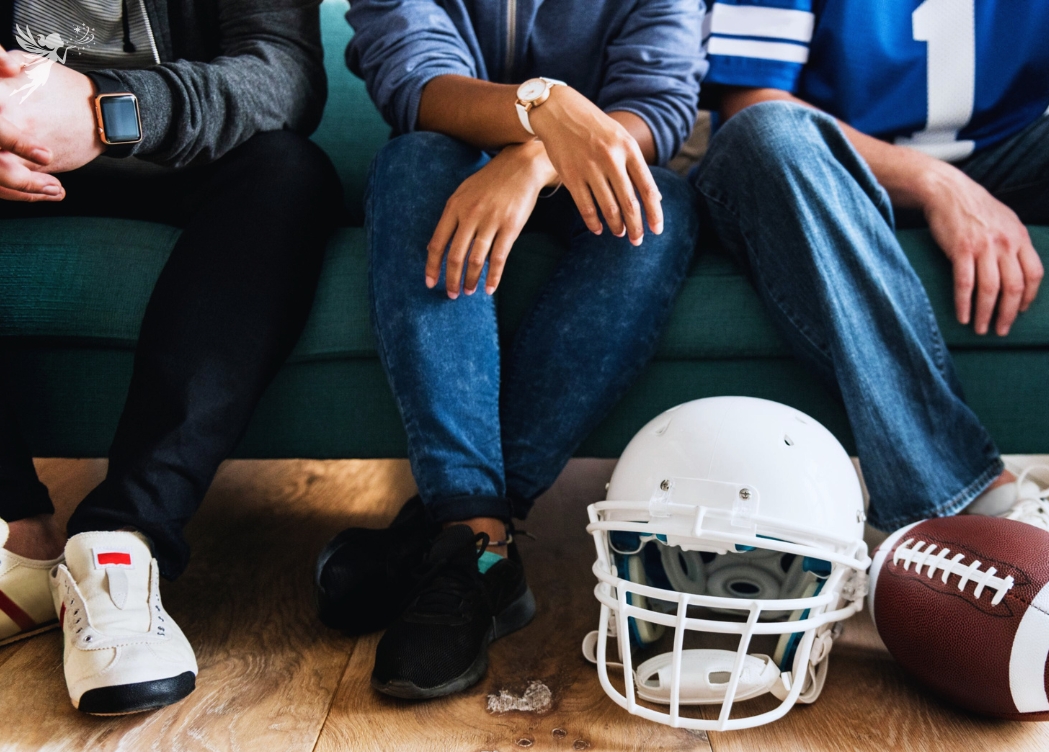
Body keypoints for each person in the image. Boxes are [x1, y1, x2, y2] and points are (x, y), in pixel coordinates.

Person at [692, 0, 1049, 646]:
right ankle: (975, 511)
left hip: (1005, 164)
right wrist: (937, 185)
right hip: (830, 167)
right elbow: (752, 102)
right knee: (765, 134)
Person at [316, 0, 706, 699]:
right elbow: (416, 83)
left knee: (660, 209)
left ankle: (447, 535)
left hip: (582, 179)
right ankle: (478, 546)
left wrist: (535, 157)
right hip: (450, 163)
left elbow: (659, 106)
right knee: (414, 159)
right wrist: (543, 106)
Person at [0, 0, 340, 713]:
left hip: (185, 153)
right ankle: (16, 544)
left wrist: (105, 111)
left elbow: (284, 76)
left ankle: (119, 547)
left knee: (290, 172)